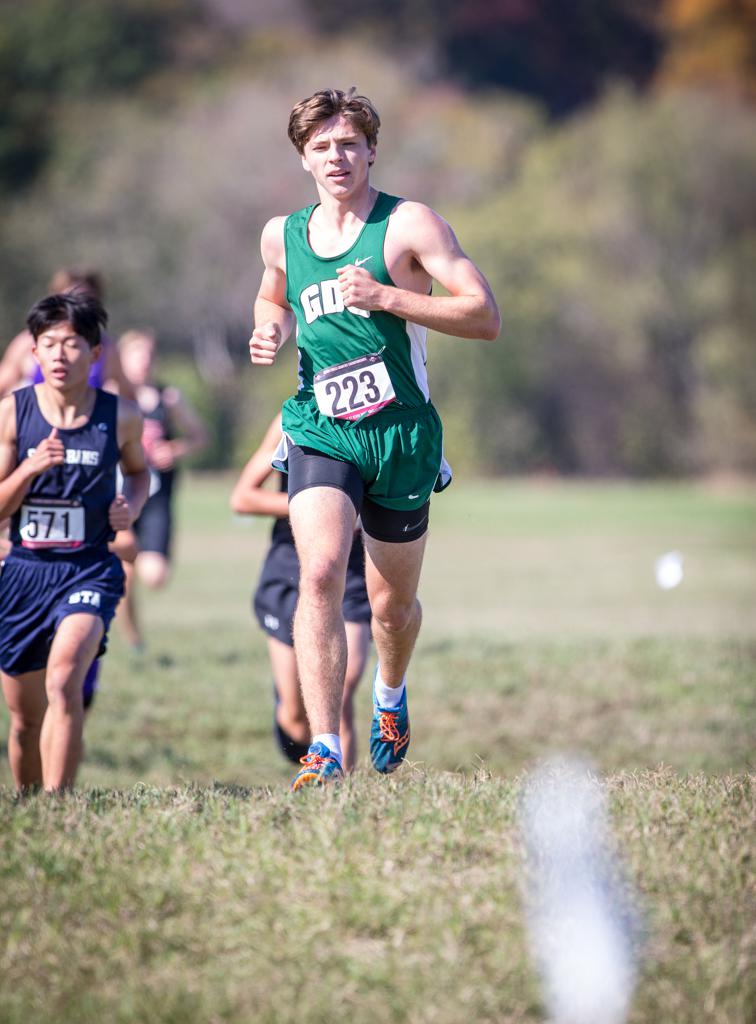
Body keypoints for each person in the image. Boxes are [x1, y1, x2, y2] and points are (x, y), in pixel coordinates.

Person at [248, 88, 500, 789]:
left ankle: (390, 692)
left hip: (401, 436)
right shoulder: (282, 235)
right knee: (322, 570)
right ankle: (326, 744)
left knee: (391, 608)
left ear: (372, 151)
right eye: (323, 146)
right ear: (303, 158)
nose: (338, 156)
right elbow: (273, 291)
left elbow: (483, 316)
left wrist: (388, 296)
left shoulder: (408, 225)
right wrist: (269, 325)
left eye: (350, 144)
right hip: (320, 426)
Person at [0, 292, 149, 792]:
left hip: (89, 569)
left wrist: (132, 508)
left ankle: (58, 803)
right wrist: (30, 467)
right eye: (49, 344)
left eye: (72, 344)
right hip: (22, 573)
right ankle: (30, 802)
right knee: (24, 720)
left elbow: (140, 474)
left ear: (95, 352)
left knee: (64, 680)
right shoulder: (12, 415)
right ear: (34, 353)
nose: (60, 354)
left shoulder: (121, 415)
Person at [231, 412, 371, 771]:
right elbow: (243, 497)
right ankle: (297, 725)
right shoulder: (289, 419)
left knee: (341, 694)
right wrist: (322, 509)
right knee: (296, 719)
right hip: (288, 570)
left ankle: (338, 799)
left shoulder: (376, 410)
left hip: (350, 572)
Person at [116, 329, 208, 650]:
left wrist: (175, 449)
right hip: (121, 496)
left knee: (154, 576)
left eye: (149, 355)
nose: (143, 363)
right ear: (122, 360)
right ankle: (134, 639)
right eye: (136, 355)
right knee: (125, 575)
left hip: (157, 499)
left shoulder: (168, 398)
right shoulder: (110, 397)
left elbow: (200, 437)